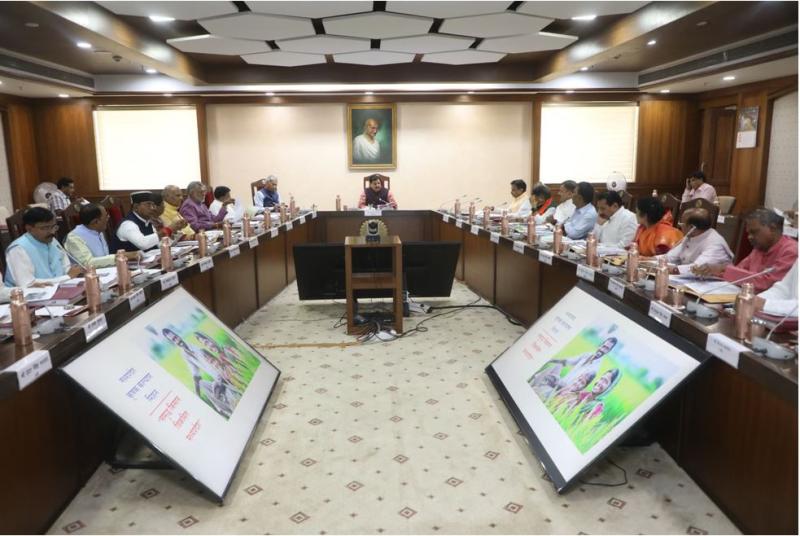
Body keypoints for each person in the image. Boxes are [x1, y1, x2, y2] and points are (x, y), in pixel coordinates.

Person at [693, 208, 797, 292]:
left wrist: (723, 269)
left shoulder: (791, 251)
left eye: (754, 232)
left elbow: (767, 283)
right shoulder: (760, 248)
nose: (749, 237)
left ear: (773, 229)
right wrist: (714, 271)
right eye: (748, 233)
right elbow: (739, 270)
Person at [5, 206, 81, 287]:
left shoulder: (52, 241)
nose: (52, 232)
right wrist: (67, 277)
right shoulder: (18, 249)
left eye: (53, 227)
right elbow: (28, 283)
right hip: (31, 294)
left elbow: (67, 268)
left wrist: (74, 272)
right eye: (45, 228)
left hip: (61, 288)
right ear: (29, 229)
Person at [529, 337, 618, 401]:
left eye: (606, 349)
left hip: (567, 388)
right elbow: (567, 361)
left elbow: (580, 387)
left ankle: (536, 385)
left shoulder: (594, 369)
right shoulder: (587, 355)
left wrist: (563, 388)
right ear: (600, 345)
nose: (602, 349)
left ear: (608, 351)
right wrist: (550, 360)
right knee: (558, 365)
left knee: (544, 381)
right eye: (603, 346)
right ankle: (534, 382)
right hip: (561, 382)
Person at [660, 208, 732, 274]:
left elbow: (698, 269)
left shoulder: (715, 243)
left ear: (692, 227)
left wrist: (674, 269)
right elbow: (670, 257)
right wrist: (655, 261)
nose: (680, 227)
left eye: (681, 224)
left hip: (709, 282)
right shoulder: (691, 236)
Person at [65, 203, 138, 268]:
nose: (108, 218)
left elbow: (104, 256)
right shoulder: (74, 237)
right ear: (96, 222)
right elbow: (88, 263)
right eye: (106, 216)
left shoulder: (97, 230)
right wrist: (118, 257)